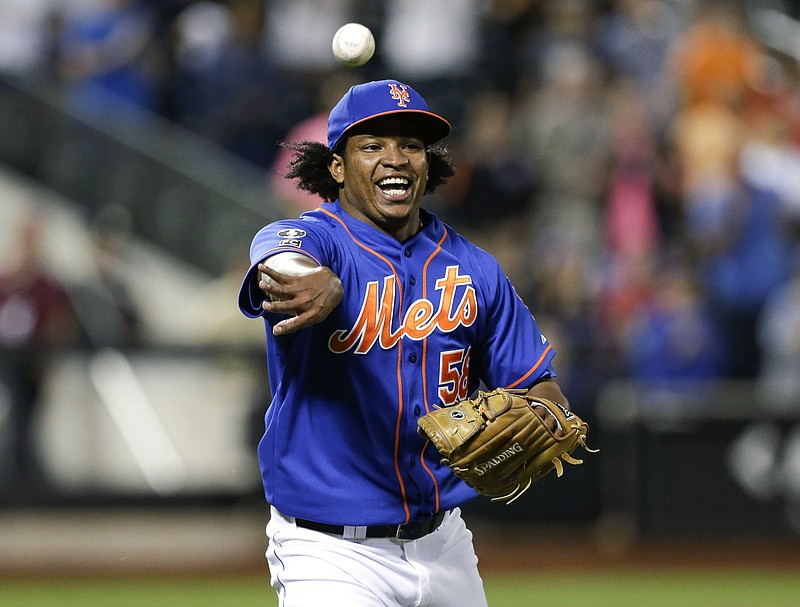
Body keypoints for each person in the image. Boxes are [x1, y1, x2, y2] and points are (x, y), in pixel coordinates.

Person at [238, 79, 569, 606]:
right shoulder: (319, 238)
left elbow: (541, 388)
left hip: (444, 543)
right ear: (337, 167)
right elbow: (278, 257)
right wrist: (309, 278)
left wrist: (543, 419)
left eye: (410, 145)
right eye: (372, 145)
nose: (395, 158)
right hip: (329, 552)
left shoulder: (475, 269)